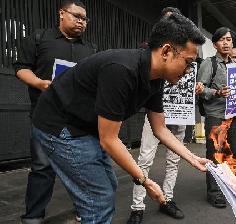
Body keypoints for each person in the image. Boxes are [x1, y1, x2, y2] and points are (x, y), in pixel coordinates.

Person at [30, 13, 209, 223]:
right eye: (187, 63)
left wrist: (192, 158)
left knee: (108, 185)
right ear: (166, 51)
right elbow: (109, 140)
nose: (189, 71)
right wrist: (145, 181)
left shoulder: (157, 78)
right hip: (59, 125)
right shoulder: (122, 69)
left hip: (85, 125)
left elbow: (160, 129)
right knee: (99, 197)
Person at [13, 1, 96, 223]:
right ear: (62, 13)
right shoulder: (40, 39)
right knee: (42, 168)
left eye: (84, 19)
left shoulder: (90, 49)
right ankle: (33, 217)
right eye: (77, 16)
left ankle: (84, 209)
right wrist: (40, 83)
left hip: (79, 120)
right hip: (45, 117)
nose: (81, 21)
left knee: (81, 168)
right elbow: (21, 67)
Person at [126, 7, 196, 224]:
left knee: (174, 161)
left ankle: (167, 199)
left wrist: (199, 87)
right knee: (145, 158)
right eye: (168, 21)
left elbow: (191, 80)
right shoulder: (148, 52)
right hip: (155, 113)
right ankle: (137, 207)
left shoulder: (188, 55)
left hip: (180, 113)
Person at [198, 27, 236, 208]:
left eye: (229, 39)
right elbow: (200, 90)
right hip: (216, 116)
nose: (226, 43)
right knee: (216, 155)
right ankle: (214, 192)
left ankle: (231, 188)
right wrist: (217, 92)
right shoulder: (209, 63)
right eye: (222, 40)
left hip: (235, 115)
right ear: (215, 44)